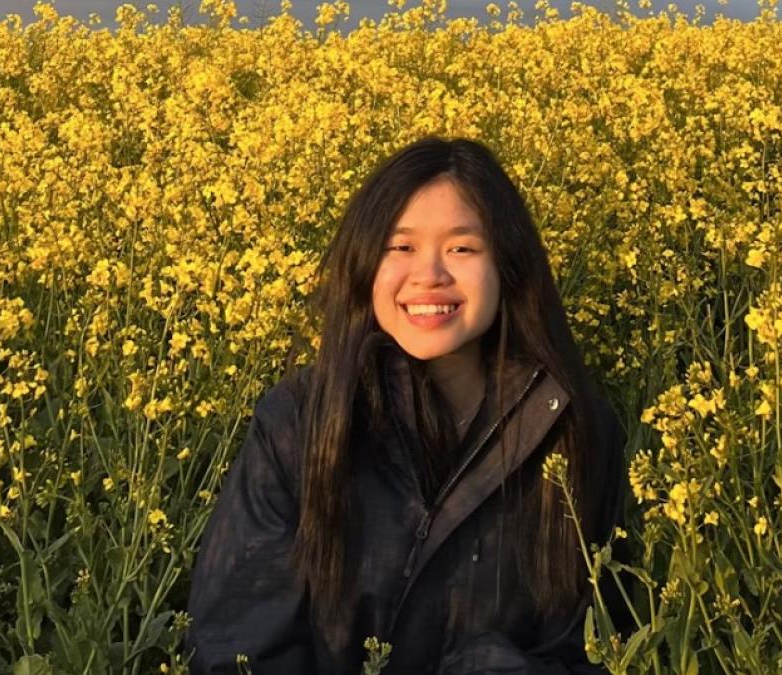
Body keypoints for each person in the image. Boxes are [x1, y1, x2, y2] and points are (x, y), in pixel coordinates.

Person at [185, 136, 631, 674]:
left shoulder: (578, 431)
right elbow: (239, 648)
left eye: (462, 248)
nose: (430, 275)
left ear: (508, 267)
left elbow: (602, 646)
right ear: (366, 265)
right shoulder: (300, 421)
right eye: (401, 248)